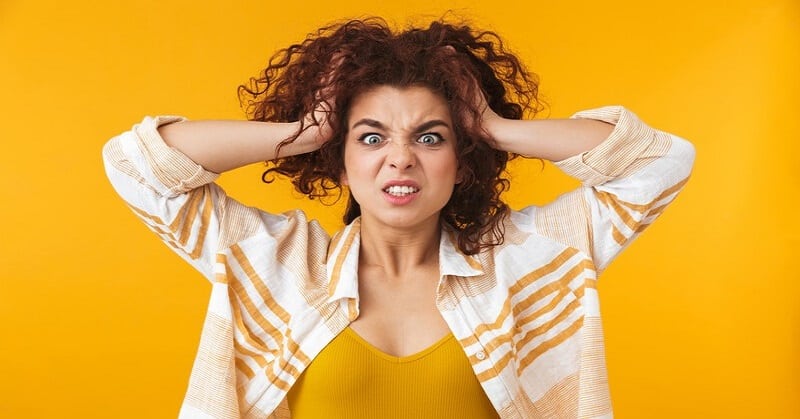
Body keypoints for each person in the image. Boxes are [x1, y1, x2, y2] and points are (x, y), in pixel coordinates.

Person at [103, 17, 695, 419]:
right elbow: (134, 166)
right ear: (338, 163)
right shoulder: (278, 265)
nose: (400, 157)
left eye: (431, 137)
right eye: (370, 137)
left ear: (463, 164)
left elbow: (662, 163)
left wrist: (489, 127)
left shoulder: (526, 260)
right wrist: (303, 132)